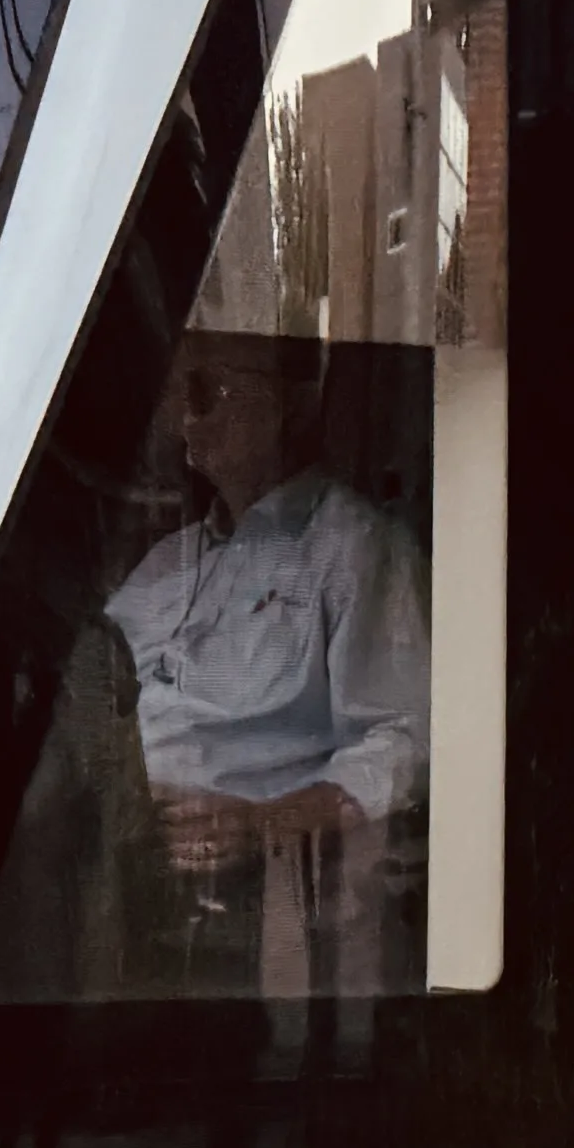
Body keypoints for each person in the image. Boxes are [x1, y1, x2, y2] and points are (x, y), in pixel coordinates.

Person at [106, 332, 424, 946]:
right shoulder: (166, 565)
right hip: (109, 856)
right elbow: (86, 689)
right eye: (179, 394)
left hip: (249, 904)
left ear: (294, 404)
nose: (186, 416)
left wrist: (266, 826)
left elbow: (404, 741)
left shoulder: (355, 548)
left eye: (206, 389)